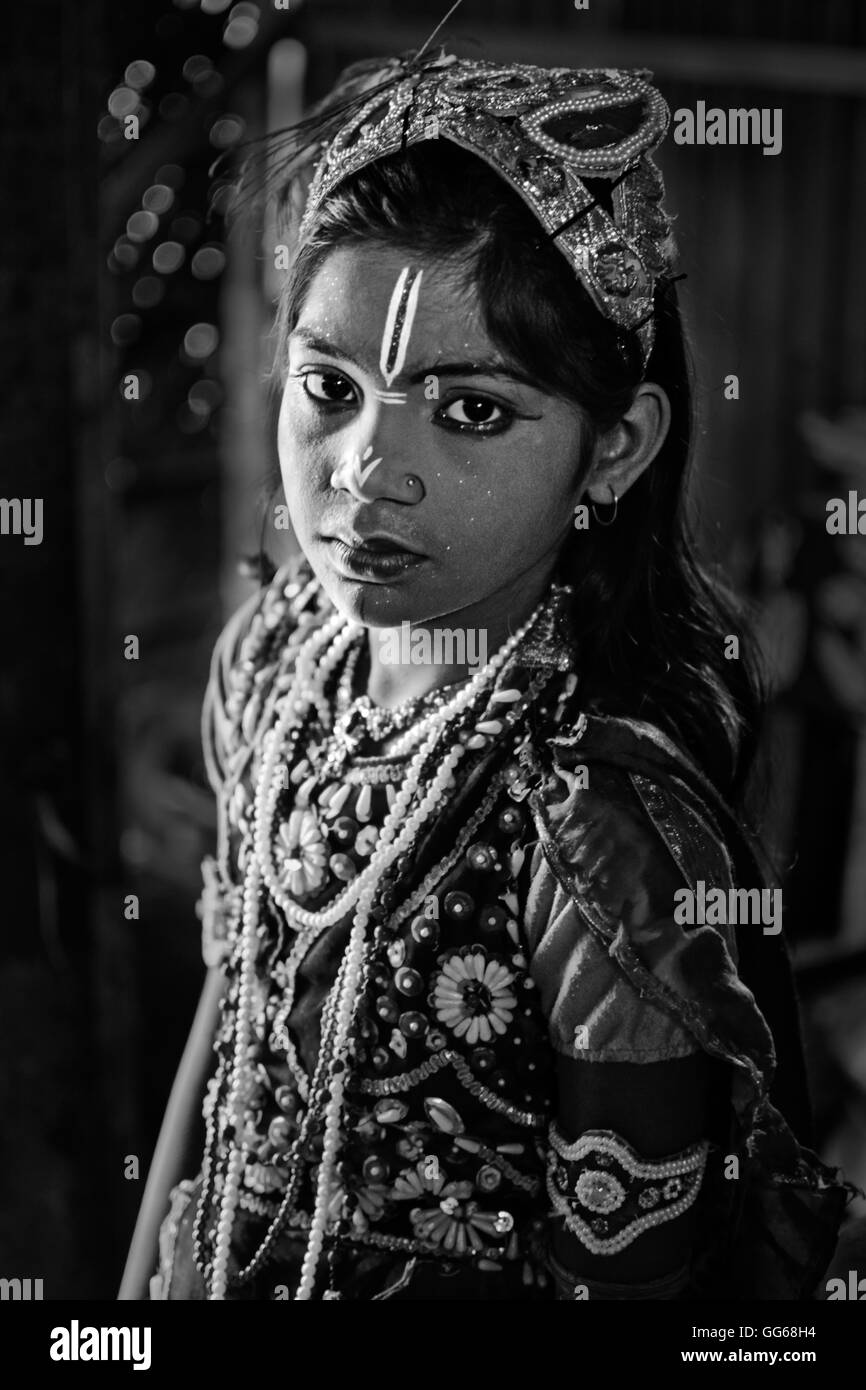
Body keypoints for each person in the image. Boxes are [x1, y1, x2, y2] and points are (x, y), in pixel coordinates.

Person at [125, 50, 850, 1301]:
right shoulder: (275, 663)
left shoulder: (597, 835)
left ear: (613, 448)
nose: (364, 469)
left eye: (468, 412)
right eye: (329, 389)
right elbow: (218, 1053)